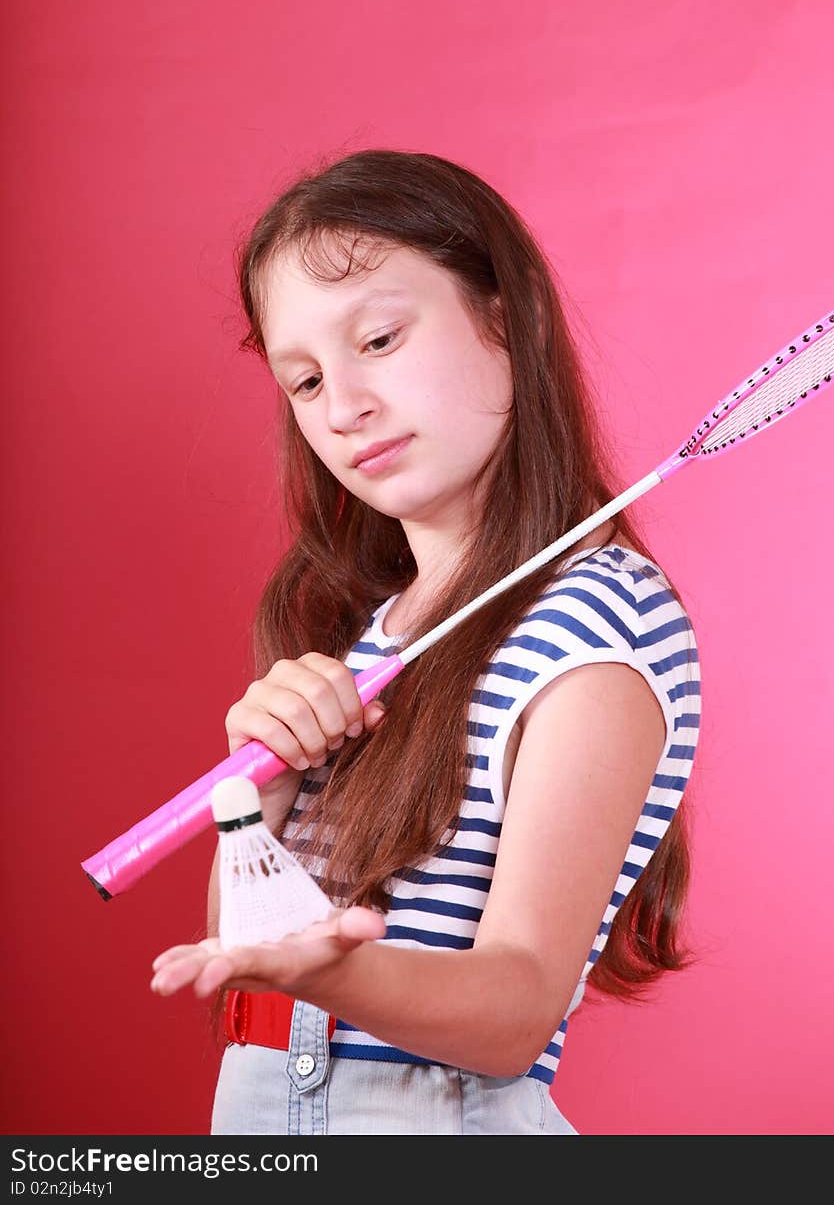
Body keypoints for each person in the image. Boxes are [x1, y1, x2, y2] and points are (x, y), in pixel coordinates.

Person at [150, 149, 701, 1135]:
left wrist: (331, 966)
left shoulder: (595, 623)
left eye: (380, 338)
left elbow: (515, 1013)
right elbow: (243, 943)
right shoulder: (375, 629)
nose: (344, 406)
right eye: (305, 380)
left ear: (505, 316)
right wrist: (260, 788)